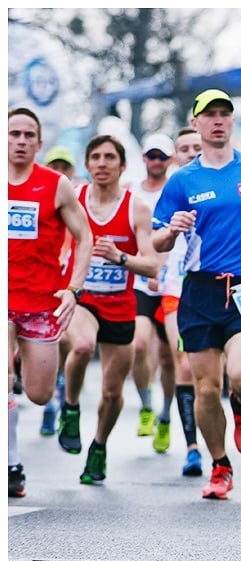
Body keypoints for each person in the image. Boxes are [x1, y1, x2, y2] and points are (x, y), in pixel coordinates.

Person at [151, 89, 241, 499]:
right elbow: (156, 241)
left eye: (225, 113)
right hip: (200, 290)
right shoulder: (183, 179)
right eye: (210, 114)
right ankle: (220, 465)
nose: (218, 120)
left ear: (232, 121)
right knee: (205, 387)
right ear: (197, 123)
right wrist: (171, 229)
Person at [57, 134, 160, 483]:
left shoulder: (136, 208)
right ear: (87, 165)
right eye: (96, 157)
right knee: (83, 346)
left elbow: (151, 265)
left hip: (120, 304)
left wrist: (120, 257)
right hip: (82, 296)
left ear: (122, 165)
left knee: (113, 393)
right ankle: (70, 407)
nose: (102, 163)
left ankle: (99, 446)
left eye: (109, 157)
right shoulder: (74, 198)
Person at [8, 107, 93, 497]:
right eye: (14, 134)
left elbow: (84, 237)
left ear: (39, 143)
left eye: (28, 135)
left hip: (42, 300)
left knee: (39, 394)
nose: (21, 141)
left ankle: (43, 394)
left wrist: (72, 289)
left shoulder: (56, 185)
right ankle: (11, 464)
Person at [160, 127, 206, 477]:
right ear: (177, 156)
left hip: (219, 287)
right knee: (183, 363)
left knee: (215, 374)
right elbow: (154, 239)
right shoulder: (175, 188)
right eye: (185, 149)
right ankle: (192, 448)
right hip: (177, 287)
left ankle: (240, 407)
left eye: (196, 147)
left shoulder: (225, 181)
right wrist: (171, 231)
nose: (191, 153)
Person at [129, 132, 176, 452]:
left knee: (169, 356)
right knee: (138, 343)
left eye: (162, 156)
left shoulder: (177, 190)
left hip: (172, 281)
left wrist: (163, 268)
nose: (156, 161)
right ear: (144, 158)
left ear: (169, 160)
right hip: (141, 282)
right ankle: (146, 403)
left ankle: (165, 415)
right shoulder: (132, 193)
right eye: (151, 155)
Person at [37, 145, 80, 436]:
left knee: (65, 340)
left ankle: (59, 385)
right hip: (41, 281)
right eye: (55, 166)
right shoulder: (37, 193)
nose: (59, 172)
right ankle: (51, 394)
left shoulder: (73, 198)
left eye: (65, 167)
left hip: (66, 282)